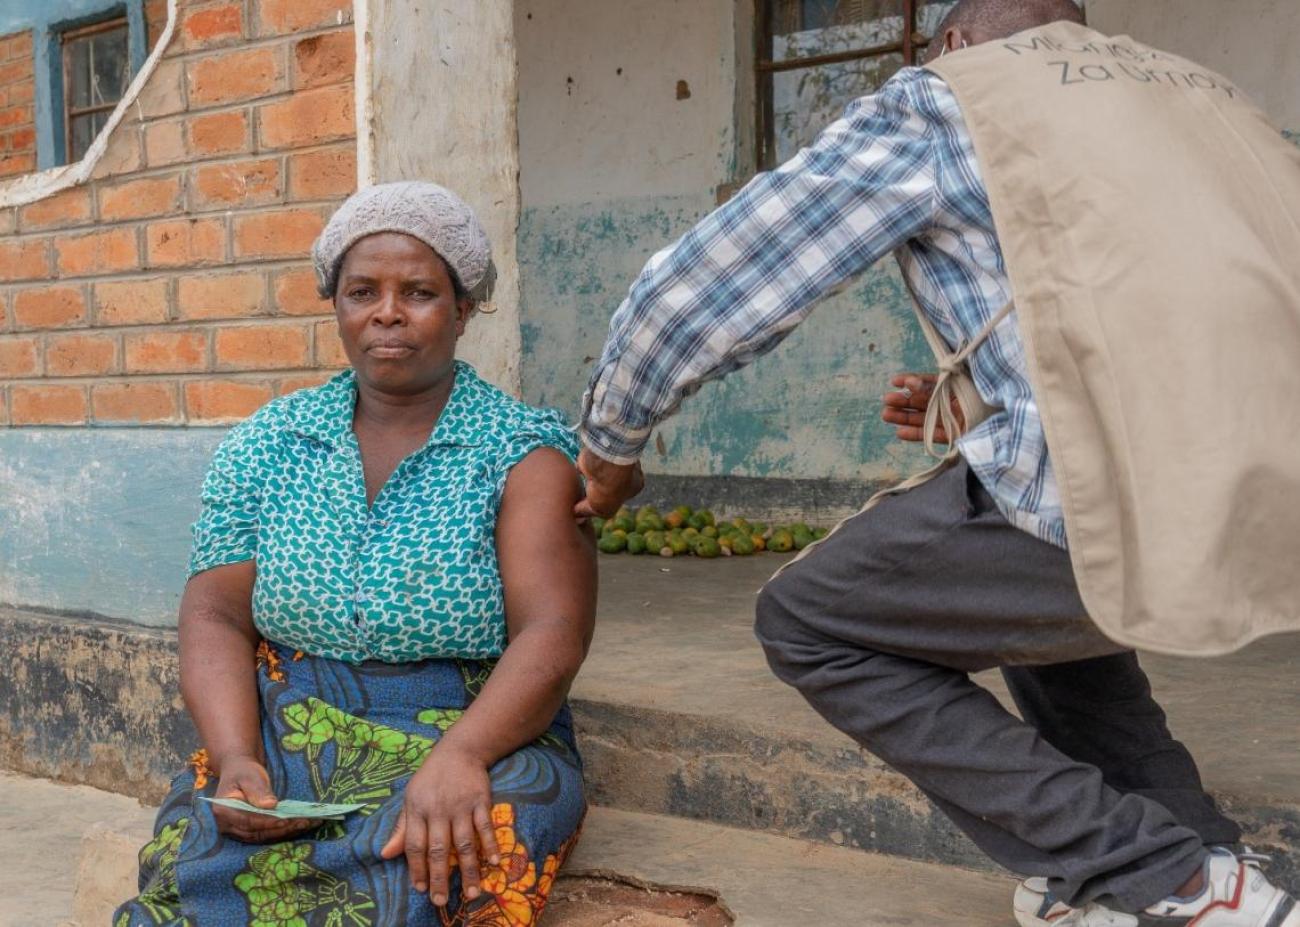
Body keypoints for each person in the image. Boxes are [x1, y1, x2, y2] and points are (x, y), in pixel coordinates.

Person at [571, 1, 1299, 925]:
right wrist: (976, 399)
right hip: (1267, 495)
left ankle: (1164, 878)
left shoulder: (949, 101)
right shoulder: (1201, 98)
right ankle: (1208, 857)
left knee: (810, 619)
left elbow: (698, 292)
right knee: (1020, 583)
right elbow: (1169, 305)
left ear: (950, 43)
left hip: (1122, 495)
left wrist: (611, 445)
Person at [116, 182, 595, 927]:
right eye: (362, 291)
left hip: (477, 726)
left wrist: (463, 755)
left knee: (464, 849)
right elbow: (214, 610)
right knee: (199, 850)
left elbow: (552, 630)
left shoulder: (523, 452)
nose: (388, 312)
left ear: (464, 309)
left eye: (420, 292)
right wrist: (238, 754)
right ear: (336, 305)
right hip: (291, 727)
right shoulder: (269, 442)